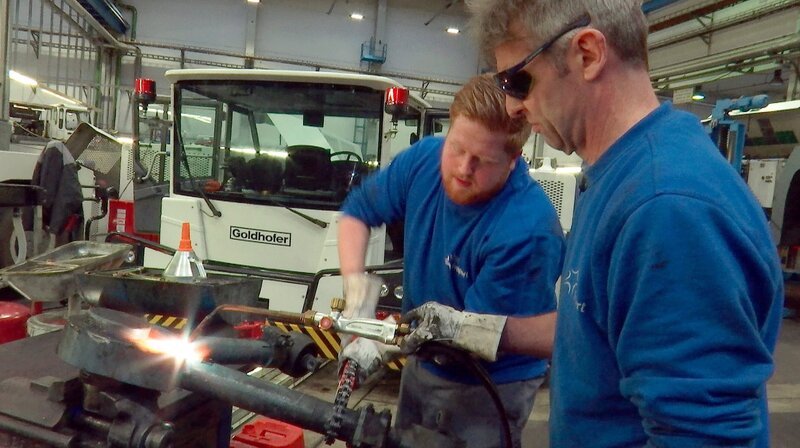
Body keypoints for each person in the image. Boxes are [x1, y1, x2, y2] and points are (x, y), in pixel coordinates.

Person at [403, 1, 785, 447]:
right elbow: (598, 323)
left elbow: (704, 437)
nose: (511, 107)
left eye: (517, 80)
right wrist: (481, 329)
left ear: (587, 54)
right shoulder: (616, 176)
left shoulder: (665, 209)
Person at [337, 74, 565, 448]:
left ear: (513, 159)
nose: (463, 168)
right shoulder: (425, 158)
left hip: (488, 382)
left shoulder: (527, 230)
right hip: (423, 361)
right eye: (457, 148)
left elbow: (468, 335)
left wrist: (381, 343)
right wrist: (357, 298)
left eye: (482, 160)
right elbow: (356, 214)